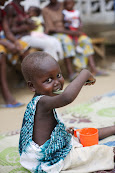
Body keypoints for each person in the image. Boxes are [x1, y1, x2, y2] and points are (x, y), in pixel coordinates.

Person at [19, 51, 115, 173]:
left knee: (80, 134)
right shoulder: (42, 102)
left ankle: (113, 129)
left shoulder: (42, 100)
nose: (57, 83)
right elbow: (67, 97)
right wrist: (85, 74)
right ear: (32, 86)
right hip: (49, 160)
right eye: (48, 80)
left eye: (58, 75)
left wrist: (62, 133)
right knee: (100, 152)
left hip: (47, 150)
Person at [42, 0, 108, 79]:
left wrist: (78, 29)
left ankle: (93, 69)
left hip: (72, 32)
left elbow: (76, 17)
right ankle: (71, 73)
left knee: (85, 40)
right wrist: (71, 32)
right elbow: (51, 29)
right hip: (57, 34)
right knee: (67, 41)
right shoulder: (45, 10)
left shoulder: (64, 4)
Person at [0, 0, 24, 107]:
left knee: (24, 49)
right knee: (1, 56)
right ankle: (7, 97)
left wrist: (15, 42)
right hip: (1, 41)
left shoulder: (2, 12)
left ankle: (38, 86)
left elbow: (7, 32)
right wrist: (5, 43)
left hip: (2, 39)